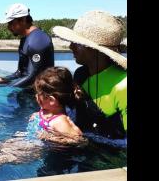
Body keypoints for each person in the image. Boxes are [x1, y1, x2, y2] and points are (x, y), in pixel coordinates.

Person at [52, 10, 127, 140]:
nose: (71, 46)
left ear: (96, 50)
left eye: (77, 43)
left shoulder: (123, 85)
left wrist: (87, 102)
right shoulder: (81, 74)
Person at [0, 3, 55, 88]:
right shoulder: (25, 39)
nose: (9, 27)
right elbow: (20, 72)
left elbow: (33, 76)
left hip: (40, 95)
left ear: (23, 20)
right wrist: (2, 80)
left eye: (11, 23)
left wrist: (1, 87)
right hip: (28, 90)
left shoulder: (38, 40)